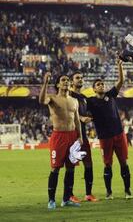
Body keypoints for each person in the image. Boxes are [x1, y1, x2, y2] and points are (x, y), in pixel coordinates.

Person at [87, 58, 133, 200]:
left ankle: (127, 190)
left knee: (124, 162)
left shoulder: (110, 95)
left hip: (119, 135)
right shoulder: (90, 101)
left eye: (102, 84)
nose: (101, 86)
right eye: (98, 85)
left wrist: (120, 66)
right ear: (94, 89)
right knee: (108, 165)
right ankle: (109, 192)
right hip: (104, 137)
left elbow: (120, 82)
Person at [39, 72, 83, 209]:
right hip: (58, 136)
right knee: (55, 168)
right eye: (63, 80)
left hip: (72, 136)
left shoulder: (74, 101)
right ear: (58, 84)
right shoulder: (52, 98)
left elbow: (76, 120)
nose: (66, 82)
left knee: (70, 169)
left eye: (68, 80)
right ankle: (51, 200)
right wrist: (45, 82)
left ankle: (66, 199)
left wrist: (80, 136)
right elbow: (41, 101)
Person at [69, 71, 98, 202]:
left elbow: (88, 113)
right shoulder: (68, 96)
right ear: (71, 81)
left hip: (83, 135)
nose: (80, 80)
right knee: (71, 165)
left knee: (88, 164)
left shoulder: (84, 97)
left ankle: (88, 194)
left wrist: (89, 117)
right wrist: (80, 118)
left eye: (81, 77)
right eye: (77, 78)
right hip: (72, 135)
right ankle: (69, 195)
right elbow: (68, 113)